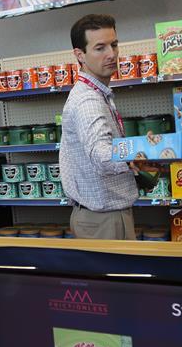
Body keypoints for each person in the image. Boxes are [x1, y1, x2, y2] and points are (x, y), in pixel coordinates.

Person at [59, 14, 151, 239]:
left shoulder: (96, 93)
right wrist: (144, 149)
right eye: (100, 48)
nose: (111, 54)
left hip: (102, 218)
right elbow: (102, 156)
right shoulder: (88, 101)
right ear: (80, 55)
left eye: (114, 45)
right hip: (104, 221)